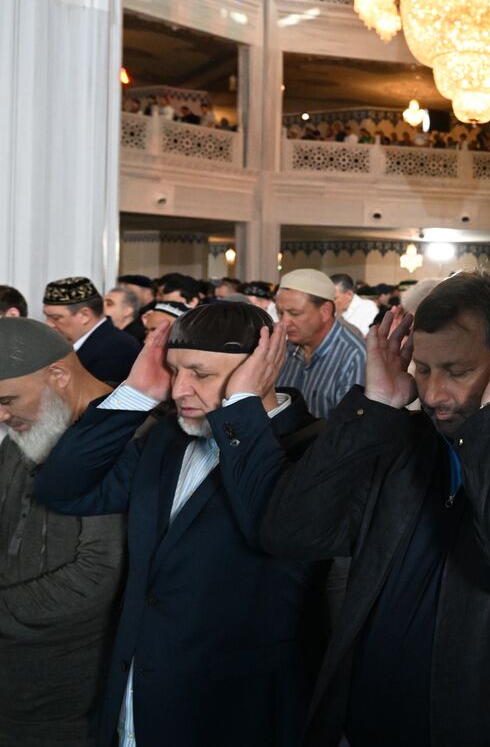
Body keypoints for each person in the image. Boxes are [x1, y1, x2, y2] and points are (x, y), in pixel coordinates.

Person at [260, 274, 490, 746]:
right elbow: (292, 532)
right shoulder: (407, 436)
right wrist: (376, 407)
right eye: (425, 369)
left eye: (456, 371)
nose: (433, 394)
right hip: (376, 725)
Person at [36, 304, 324, 747]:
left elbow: (268, 528)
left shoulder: (311, 449)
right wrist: (135, 393)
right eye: (174, 370)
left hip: (230, 711)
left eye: (201, 373)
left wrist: (240, 411)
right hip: (136, 699)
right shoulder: (169, 438)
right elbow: (63, 489)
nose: (180, 388)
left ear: (260, 370)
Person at [0, 319, 125, 747]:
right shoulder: (29, 425)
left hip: (68, 699)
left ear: (58, 375)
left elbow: (96, 573)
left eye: (7, 399)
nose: (1, 414)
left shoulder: (124, 439)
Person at [274, 269, 366, 418]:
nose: (284, 322)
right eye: (280, 313)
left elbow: (349, 429)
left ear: (325, 311)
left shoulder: (354, 357)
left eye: (294, 313)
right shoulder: (284, 349)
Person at [41, 277, 140, 383]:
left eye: (56, 318)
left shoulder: (118, 348)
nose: (49, 324)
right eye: (47, 317)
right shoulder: (66, 344)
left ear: (85, 315)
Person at [329, 273, 378, 337]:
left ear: (349, 294)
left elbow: (362, 337)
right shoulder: (331, 310)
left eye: (334, 298)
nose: (331, 302)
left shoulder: (368, 307)